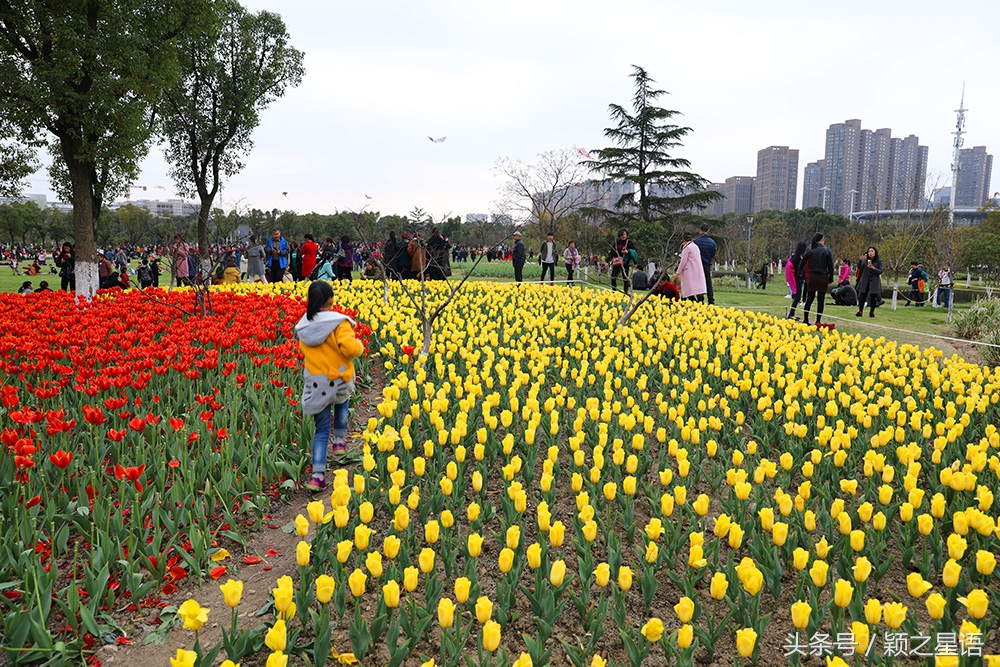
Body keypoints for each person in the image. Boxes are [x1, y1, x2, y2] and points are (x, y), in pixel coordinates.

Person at [295, 281, 364, 492]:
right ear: (331, 300)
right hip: (338, 377)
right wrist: (359, 345)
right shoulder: (338, 323)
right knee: (342, 401)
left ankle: (317, 476)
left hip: (316, 382)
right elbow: (350, 348)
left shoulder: (304, 325)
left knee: (321, 430)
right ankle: (340, 440)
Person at [799, 232, 834, 326]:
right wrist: (831, 278)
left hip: (812, 276)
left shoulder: (810, 250)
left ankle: (806, 319)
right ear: (822, 239)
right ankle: (818, 320)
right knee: (820, 299)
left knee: (809, 298)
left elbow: (803, 262)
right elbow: (830, 266)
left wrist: (799, 272)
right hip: (823, 276)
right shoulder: (827, 251)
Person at [674, 231, 707, 302]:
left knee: (688, 289)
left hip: (688, 271)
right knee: (696, 288)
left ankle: (692, 301)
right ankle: (699, 300)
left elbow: (683, 261)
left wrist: (678, 272)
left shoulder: (686, 248)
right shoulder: (695, 246)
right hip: (696, 270)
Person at [692, 223, 717, 304]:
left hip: (697, 264)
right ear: (708, 230)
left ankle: (700, 298)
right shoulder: (712, 242)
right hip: (707, 263)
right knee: (708, 282)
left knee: (698, 282)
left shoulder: (695, 241)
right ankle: (710, 299)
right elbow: (713, 253)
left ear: (700, 230)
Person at [856, 247, 884, 318]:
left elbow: (880, 271)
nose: (870, 253)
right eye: (869, 251)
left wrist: (874, 268)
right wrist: (860, 260)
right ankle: (860, 311)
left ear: (875, 252)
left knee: (873, 297)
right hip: (865, 281)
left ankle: (872, 311)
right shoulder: (865, 261)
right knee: (862, 296)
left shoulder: (879, 261)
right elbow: (860, 266)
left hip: (874, 281)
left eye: (872, 251)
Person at [608, 227, 637, 293]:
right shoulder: (617, 243)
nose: (623, 236)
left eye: (624, 234)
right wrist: (608, 261)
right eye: (622, 235)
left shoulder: (629, 243)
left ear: (627, 234)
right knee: (613, 277)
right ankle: (614, 290)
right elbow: (612, 252)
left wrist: (628, 252)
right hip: (617, 261)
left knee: (625, 278)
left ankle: (625, 292)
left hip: (625, 262)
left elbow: (634, 252)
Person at [786, 242, 807, 320]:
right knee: (797, 297)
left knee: (796, 297)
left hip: (798, 279)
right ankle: (791, 314)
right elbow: (798, 269)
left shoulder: (794, 256)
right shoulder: (797, 258)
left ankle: (792, 313)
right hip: (798, 279)